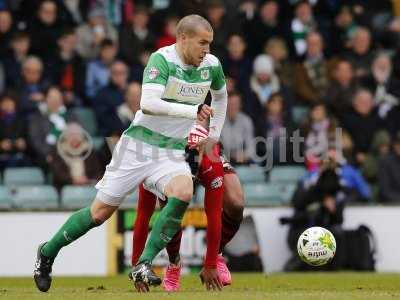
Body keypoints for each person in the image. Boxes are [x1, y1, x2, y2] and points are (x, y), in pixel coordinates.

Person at [34, 14, 227, 293]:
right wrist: (192, 111)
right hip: (137, 148)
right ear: (182, 38)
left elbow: (221, 96)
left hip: (171, 151)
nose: (207, 50)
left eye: (209, 44)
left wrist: (214, 136)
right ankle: (47, 252)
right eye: (202, 43)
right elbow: (148, 103)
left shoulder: (211, 65)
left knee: (183, 192)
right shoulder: (161, 60)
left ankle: (144, 263)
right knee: (99, 214)